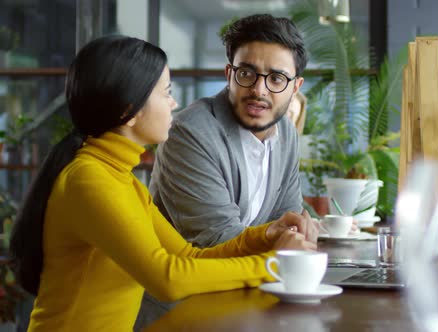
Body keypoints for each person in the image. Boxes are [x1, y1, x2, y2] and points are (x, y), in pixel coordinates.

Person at [8, 35, 318, 331]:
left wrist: (264, 236)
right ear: (128, 110)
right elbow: (167, 279)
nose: (173, 104)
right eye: (165, 92)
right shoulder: (89, 179)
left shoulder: (119, 177)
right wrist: (273, 264)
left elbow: (188, 256)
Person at [149, 14, 310, 248]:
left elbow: (288, 220)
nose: (259, 90)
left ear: (295, 87)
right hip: (191, 281)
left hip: (255, 278)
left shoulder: (286, 133)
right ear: (229, 74)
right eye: (246, 73)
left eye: (276, 79)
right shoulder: (190, 132)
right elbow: (215, 239)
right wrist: (280, 242)